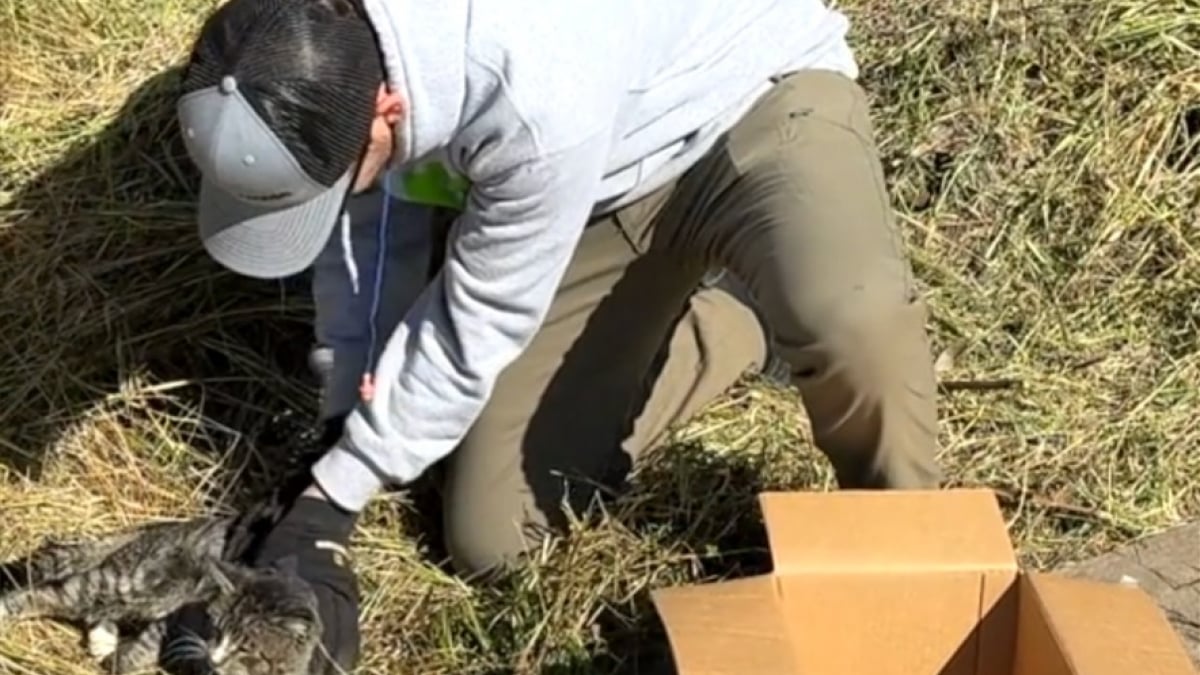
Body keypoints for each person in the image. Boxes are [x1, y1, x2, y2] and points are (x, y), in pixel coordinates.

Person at [175, 0, 943, 668]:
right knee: (494, 535)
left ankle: (923, 593)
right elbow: (368, 233)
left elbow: (480, 318)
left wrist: (335, 499)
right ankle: (738, 325)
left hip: (749, 100)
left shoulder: (530, 84)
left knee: (851, 318)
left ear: (388, 109)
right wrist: (341, 424)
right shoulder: (320, 42)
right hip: (605, 181)